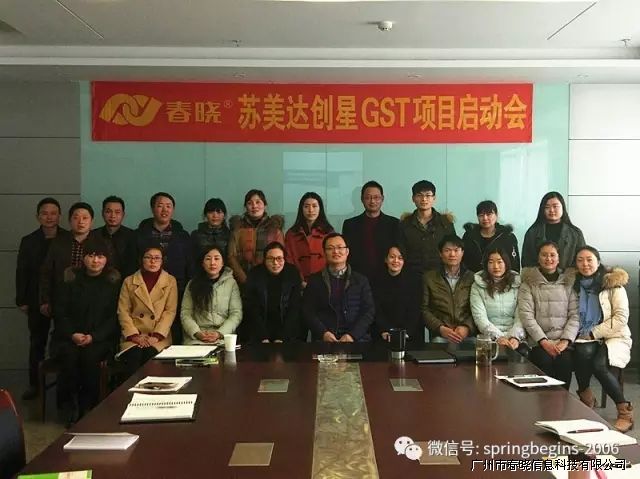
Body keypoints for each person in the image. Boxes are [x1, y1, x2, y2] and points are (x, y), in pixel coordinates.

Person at [55, 237, 120, 423]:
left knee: (90, 358)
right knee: (69, 357)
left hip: (100, 339)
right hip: (70, 337)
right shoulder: (70, 280)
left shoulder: (112, 284)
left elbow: (113, 318)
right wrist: (73, 334)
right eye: (91, 256)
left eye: (100, 256)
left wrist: (94, 336)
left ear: (106, 259)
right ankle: (69, 406)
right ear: (83, 258)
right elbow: (60, 313)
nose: (95, 261)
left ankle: (88, 407)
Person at [572, 246, 633, 432]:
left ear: (598, 262)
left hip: (614, 335)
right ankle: (586, 396)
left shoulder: (613, 284)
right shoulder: (573, 286)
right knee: (581, 352)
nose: (585, 264)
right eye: (580, 260)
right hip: (584, 335)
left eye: (589, 259)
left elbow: (621, 318)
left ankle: (625, 411)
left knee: (599, 365)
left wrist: (593, 333)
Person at [15, 197, 66, 400]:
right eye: (45, 213)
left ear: (60, 216)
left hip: (63, 298)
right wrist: (21, 299)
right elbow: (22, 271)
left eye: (53, 213)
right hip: (36, 298)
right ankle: (34, 385)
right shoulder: (29, 241)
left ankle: (64, 385)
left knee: (63, 342)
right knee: (37, 342)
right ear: (38, 217)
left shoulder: (68, 238)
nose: (49, 217)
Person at [518, 241, 579, 389]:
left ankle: (563, 401)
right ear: (538, 258)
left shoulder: (568, 283)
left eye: (552, 255)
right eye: (544, 255)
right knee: (543, 361)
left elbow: (575, 315)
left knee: (565, 362)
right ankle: (545, 402)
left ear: (558, 259)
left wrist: (565, 341)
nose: (548, 259)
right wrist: (543, 341)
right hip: (539, 342)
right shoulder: (528, 283)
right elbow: (526, 316)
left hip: (563, 342)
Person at [137, 192, 193, 343]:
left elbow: (190, 265)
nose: (164, 210)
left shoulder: (183, 236)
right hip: (147, 291)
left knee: (174, 330)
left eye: (168, 206)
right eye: (160, 206)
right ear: (152, 209)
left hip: (178, 289)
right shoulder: (139, 235)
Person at [117, 245, 178, 377]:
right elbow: (123, 311)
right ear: (141, 260)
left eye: (157, 258)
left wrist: (156, 336)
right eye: (148, 257)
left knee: (151, 358)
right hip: (134, 336)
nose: (152, 261)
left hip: (159, 337)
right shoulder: (129, 281)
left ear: (162, 261)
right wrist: (134, 335)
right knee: (134, 357)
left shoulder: (170, 281)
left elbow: (170, 311)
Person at [303, 233, 374, 342]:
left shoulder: (361, 281)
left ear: (347, 251)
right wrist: (323, 333)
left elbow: (369, 311)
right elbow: (308, 311)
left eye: (340, 247)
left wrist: (352, 335)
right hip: (324, 339)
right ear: (324, 253)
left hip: (356, 340)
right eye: (330, 248)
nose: (336, 251)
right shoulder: (315, 280)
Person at [40, 202, 96, 338]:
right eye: (76, 217)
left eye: (85, 218)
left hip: (91, 299)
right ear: (70, 220)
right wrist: (45, 300)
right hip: (62, 298)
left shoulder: (100, 243)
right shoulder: (58, 242)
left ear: (92, 221)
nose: (80, 222)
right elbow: (47, 272)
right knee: (63, 336)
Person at [181, 246, 242, 344]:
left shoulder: (231, 284)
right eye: (208, 259)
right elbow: (186, 313)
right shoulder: (192, 284)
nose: (212, 263)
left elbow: (236, 314)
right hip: (197, 338)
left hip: (223, 338)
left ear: (222, 263)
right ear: (202, 263)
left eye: (217, 259)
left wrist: (219, 333)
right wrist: (196, 332)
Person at [421, 235, 475, 344]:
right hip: (440, 335)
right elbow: (424, 309)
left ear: (462, 253)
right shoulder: (429, 278)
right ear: (440, 254)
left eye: (456, 250)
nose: (452, 254)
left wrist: (467, 327)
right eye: (447, 250)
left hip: (467, 335)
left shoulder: (473, 278)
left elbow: (479, 308)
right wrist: (440, 328)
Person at [245, 242, 303, 343]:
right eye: (270, 259)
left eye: (279, 258)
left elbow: (294, 308)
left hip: (287, 331)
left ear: (284, 259)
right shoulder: (255, 274)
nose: (275, 263)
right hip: (259, 330)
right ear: (264, 260)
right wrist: (263, 337)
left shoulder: (292, 273)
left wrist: (282, 337)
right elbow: (252, 308)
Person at [342, 181, 399, 279]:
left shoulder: (394, 224)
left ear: (382, 199)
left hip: (386, 277)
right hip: (357, 277)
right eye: (368, 197)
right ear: (362, 199)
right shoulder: (350, 224)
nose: (372, 201)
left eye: (376, 197)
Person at [470, 248, 524, 349]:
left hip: (516, 339)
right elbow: (480, 317)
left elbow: (521, 316)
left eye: (499, 262)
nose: (495, 266)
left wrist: (515, 337)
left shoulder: (517, 284)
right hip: (489, 338)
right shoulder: (477, 286)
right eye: (491, 262)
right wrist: (498, 337)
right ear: (486, 264)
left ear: (506, 263)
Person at [399, 180, 455, 277]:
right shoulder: (405, 224)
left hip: (440, 277)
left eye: (428, 195)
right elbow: (400, 252)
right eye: (419, 195)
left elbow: (453, 250)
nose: (424, 199)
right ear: (413, 198)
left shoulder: (445, 223)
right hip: (411, 276)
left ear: (434, 198)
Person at [228, 189, 285, 286]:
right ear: (245, 207)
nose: (254, 206)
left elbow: (281, 256)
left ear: (265, 205)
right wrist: (244, 279)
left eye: (258, 202)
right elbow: (231, 257)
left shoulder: (274, 229)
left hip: (269, 281)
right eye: (250, 203)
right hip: (242, 282)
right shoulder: (237, 229)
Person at [371, 246, 423, 345]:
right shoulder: (376, 280)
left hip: (409, 334)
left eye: (400, 258)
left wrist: (405, 333)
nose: (396, 261)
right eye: (392, 257)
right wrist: (384, 330)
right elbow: (375, 309)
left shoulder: (414, 281)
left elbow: (415, 310)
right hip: (383, 333)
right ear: (386, 259)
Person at [522, 191, 585, 270]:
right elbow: (526, 262)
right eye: (547, 207)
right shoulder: (532, 232)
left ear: (563, 208)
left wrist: (568, 275)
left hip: (568, 276)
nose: (551, 210)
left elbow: (582, 259)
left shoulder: (575, 233)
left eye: (555, 206)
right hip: (537, 277)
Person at [285, 192, 334, 285]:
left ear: (320, 209)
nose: (310, 210)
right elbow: (289, 260)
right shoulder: (291, 234)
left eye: (314, 206)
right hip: (297, 283)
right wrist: (299, 280)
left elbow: (333, 259)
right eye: (306, 206)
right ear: (301, 209)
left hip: (324, 282)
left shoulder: (329, 233)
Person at [462, 200, 520, 273]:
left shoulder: (507, 236)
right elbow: (463, 261)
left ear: (496, 215)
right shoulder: (469, 236)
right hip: (473, 277)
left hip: (501, 278)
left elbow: (514, 264)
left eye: (489, 214)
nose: (485, 218)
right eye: (481, 215)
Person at [94, 195, 137, 277]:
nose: (113, 216)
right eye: (108, 211)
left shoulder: (133, 236)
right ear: (102, 213)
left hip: (125, 280)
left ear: (123, 214)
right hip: (98, 280)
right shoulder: (94, 235)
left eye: (117, 212)